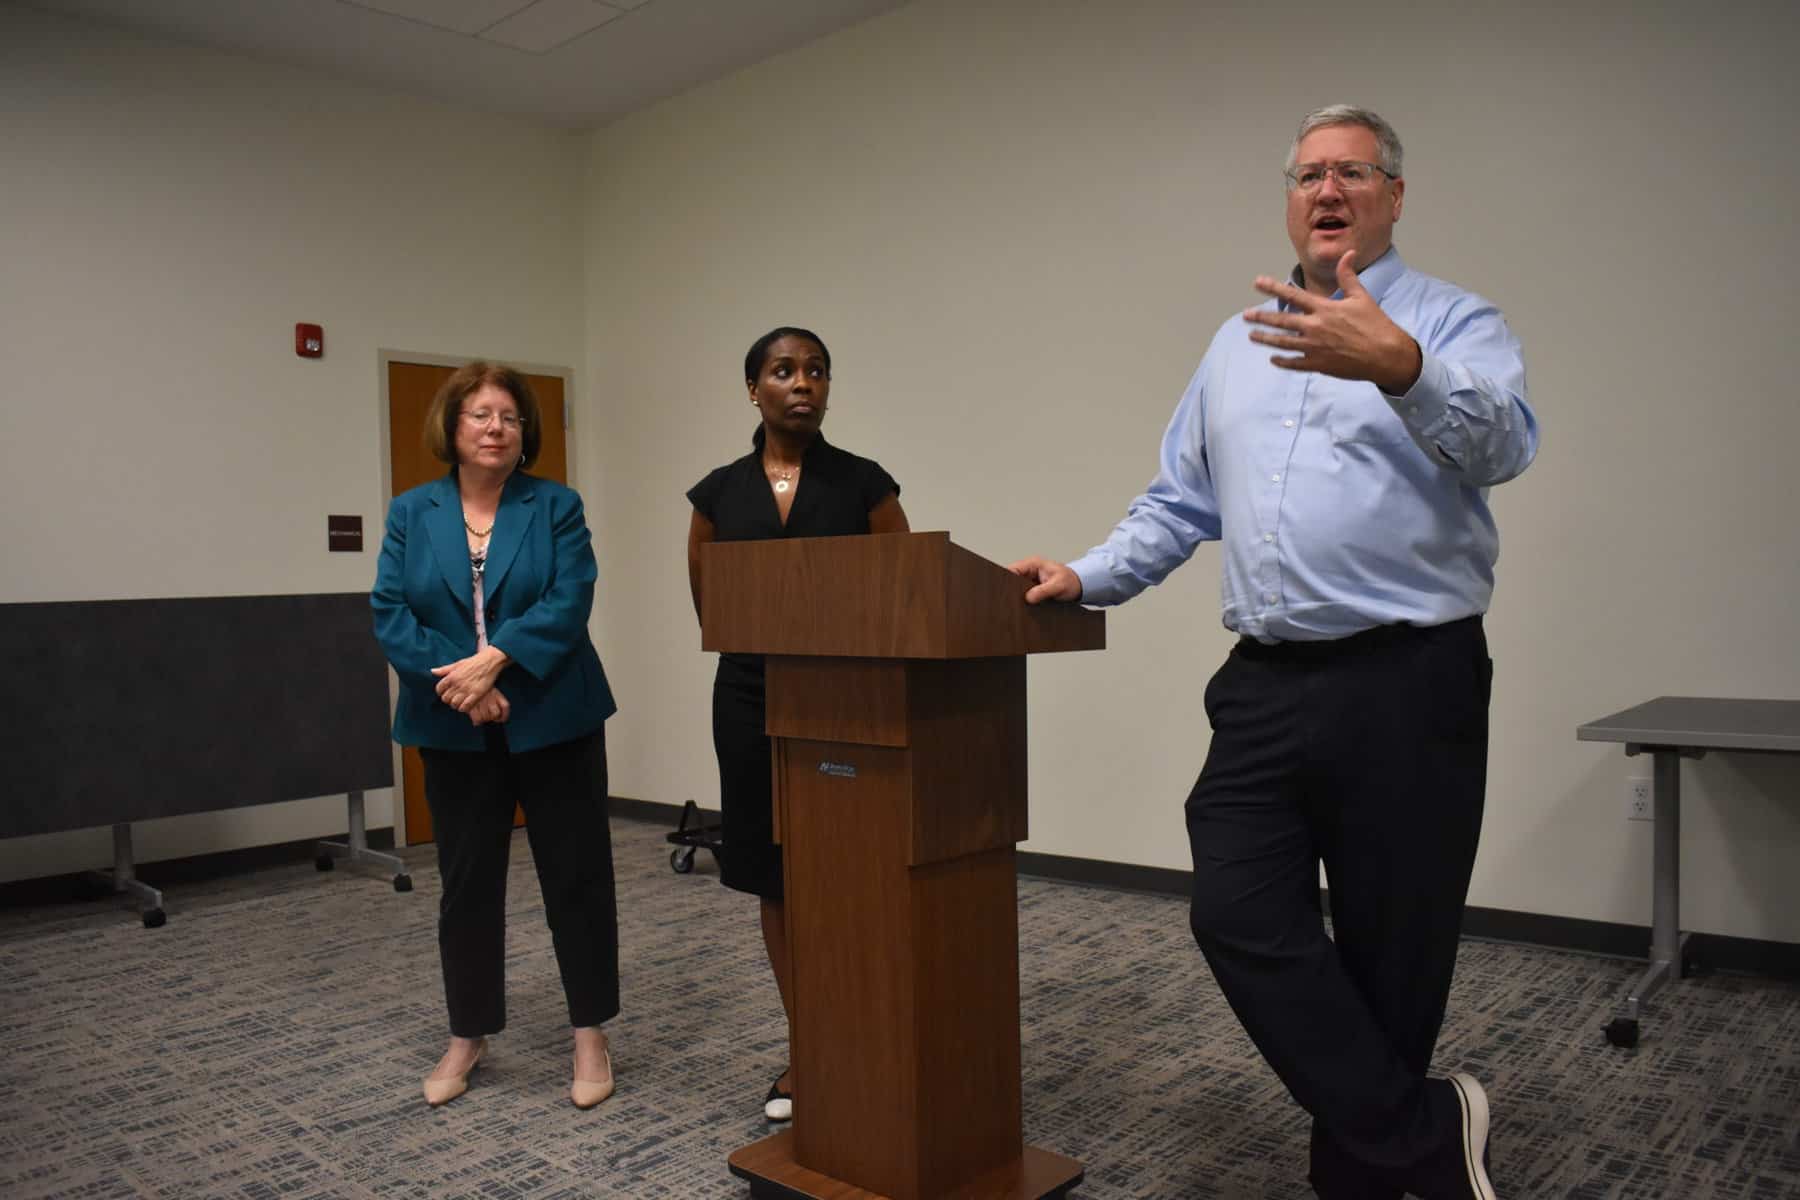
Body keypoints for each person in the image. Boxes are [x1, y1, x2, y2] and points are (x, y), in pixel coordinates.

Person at [1010, 106, 1536, 1200]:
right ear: (1290, 197)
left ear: (1395, 194)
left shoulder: (1451, 320)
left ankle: (1368, 1173)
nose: (1328, 189)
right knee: (1235, 911)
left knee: (1395, 959)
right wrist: (1088, 574)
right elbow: (1179, 501)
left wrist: (1403, 367)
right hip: (1265, 681)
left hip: (1410, 678)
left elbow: (1506, 444)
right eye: (1308, 174)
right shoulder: (1233, 343)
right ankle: (1425, 1126)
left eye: (1352, 171)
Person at [371, 361, 621, 1110]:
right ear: (452, 427)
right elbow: (391, 612)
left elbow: (569, 597)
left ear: (525, 434)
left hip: (553, 714)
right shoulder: (412, 512)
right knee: (466, 885)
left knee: (576, 879)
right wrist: (465, 687)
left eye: (509, 417)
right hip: (452, 723)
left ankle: (589, 1031)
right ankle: (468, 1032)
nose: (495, 428)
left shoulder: (556, 506)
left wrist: (496, 663)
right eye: (480, 415)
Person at [686, 327, 909, 1123]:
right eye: (784, 371)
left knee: (849, 874)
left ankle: (870, 1037)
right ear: (754, 389)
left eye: (816, 370)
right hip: (748, 701)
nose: (802, 383)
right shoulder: (716, 495)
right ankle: (810, 1046)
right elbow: (711, 605)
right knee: (777, 879)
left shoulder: (864, 487)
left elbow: (905, 593)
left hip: (846, 704)